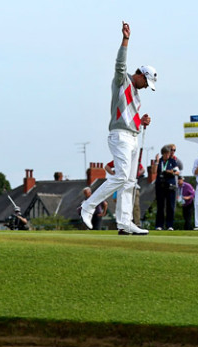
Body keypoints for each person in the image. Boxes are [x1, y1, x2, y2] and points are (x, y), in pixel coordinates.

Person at [79, 20, 156, 236]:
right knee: (121, 176)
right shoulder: (122, 81)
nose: (146, 88)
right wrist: (125, 39)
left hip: (132, 137)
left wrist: (143, 122)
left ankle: (125, 222)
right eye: (146, 83)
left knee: (130, 182)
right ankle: (88, 206)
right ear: (140, 75)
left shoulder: (137, 96)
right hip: (119, 135)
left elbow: (133, 122)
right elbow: (120, 64)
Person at [153, 145, 179, 230]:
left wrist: (170, 172)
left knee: (170, 206)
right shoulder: (159, 161)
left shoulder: (172, 161)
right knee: (160, 206)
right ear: (163, 154)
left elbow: (177, 172)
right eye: (166, 154)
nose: (167, 156)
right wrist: (156, 162)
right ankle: (159, 225)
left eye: (168, 154)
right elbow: (154, 171)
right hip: (160, 185)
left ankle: (169, 225)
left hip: (170, 185)